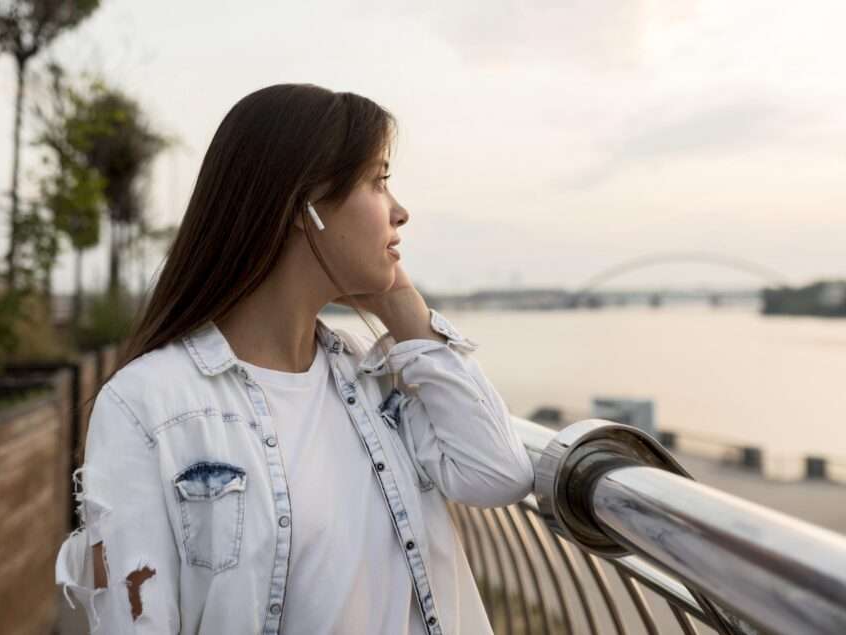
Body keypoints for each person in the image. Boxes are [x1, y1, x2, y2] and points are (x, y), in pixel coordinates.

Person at [55, 83, 535, 635]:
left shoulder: (373, 379)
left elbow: (499, 473)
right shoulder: (148, 406)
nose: (400, 212)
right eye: (379, 182)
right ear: (306, 206)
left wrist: (402, 305)